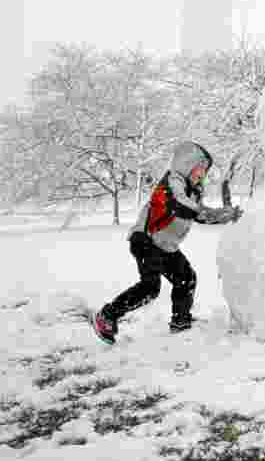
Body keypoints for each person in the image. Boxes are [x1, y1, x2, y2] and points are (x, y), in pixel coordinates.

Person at [91, 141, 243, 344]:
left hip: (166, 246)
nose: (202, 175)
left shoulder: (193, 190)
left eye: (205, 172)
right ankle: (106, 316)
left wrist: (223, 215)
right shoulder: (172, 183)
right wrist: (215, 212)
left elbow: (199, 215)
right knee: (150, 287)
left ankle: (181, 322)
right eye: (200, 169)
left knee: (186, 278)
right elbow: (180, 206)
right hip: (146, 240)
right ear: (187, 164)